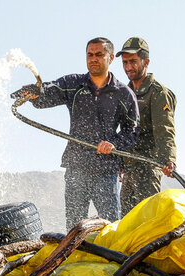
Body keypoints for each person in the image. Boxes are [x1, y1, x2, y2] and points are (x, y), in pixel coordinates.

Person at [14, 37, 139, 229]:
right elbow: (49, 92)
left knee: (112, 227)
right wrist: (36, 93)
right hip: (76, 167)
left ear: (111, 57)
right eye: (90, 54)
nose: (93, 59)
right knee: (74, 226)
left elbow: (132, 131)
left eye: (99, 54)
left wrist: (114, 143)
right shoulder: (73, 84)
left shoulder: (123, 93)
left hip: (105, 171)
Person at [117, 37, 177, 214]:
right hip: (129, 166)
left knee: (147, 218)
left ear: (146, 61)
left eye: (133, 62)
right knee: (127, 220)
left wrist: (169, 159)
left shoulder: (158, 93)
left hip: (148, 166)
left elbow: (164, 130)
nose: (128, 67)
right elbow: (124, 130)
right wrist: (119, 161)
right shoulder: (124, 93)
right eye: (125, 62)